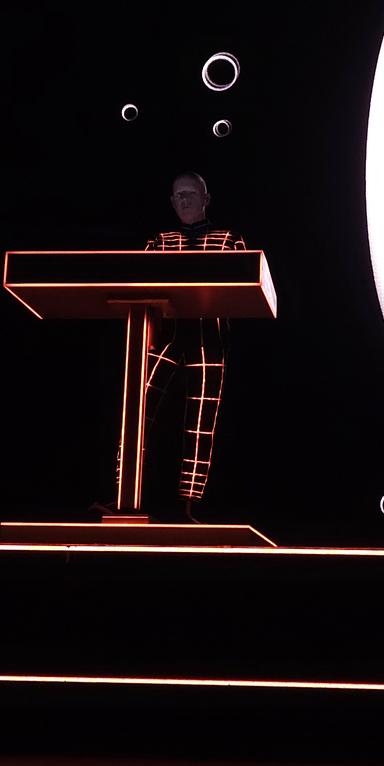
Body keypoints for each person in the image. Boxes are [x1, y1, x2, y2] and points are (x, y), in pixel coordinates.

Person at [133, 172, 246, 522]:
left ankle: (190, 504)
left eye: (191, 193)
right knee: (137, 412)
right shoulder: (159, 241)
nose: (184, 199)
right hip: (162, 334)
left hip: (209, 334)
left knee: (202, 421)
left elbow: (245, 283)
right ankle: (127, 495)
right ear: (171, 202)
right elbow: (135, 281)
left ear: (206, 199)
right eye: (178, 194)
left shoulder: (228, 239)